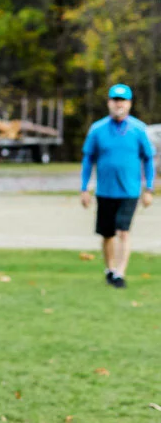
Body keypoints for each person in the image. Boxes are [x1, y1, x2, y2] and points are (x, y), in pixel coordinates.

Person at [80, 83, 156, 289]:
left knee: (123, 231)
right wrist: (84, 188)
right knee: (107, 234)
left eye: (122, 101)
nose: (118, 104)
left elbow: (149, 159)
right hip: (105, 190)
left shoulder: (138, 129)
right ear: (109, 102)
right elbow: (88, 159)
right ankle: (110, 270)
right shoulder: (97, 130)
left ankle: (120, 273)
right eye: (115, 100)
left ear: (129, 103)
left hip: (129, 190)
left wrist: (149, 189)